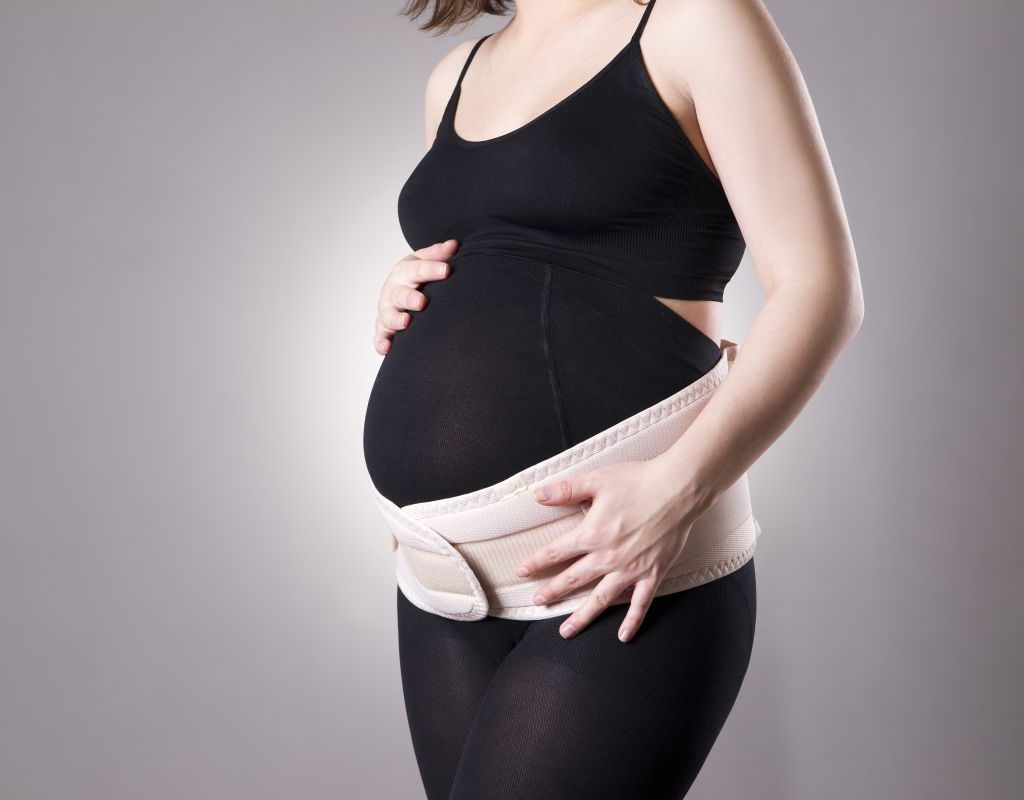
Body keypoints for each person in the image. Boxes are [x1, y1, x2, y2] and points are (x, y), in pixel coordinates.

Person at [363, 0, 863, 797]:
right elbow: (496, 262)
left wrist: (678, 489)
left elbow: (822, 292)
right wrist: (404, 292)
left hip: (627, 568)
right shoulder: (452, 78)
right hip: (448, 586)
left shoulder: (698, 22)